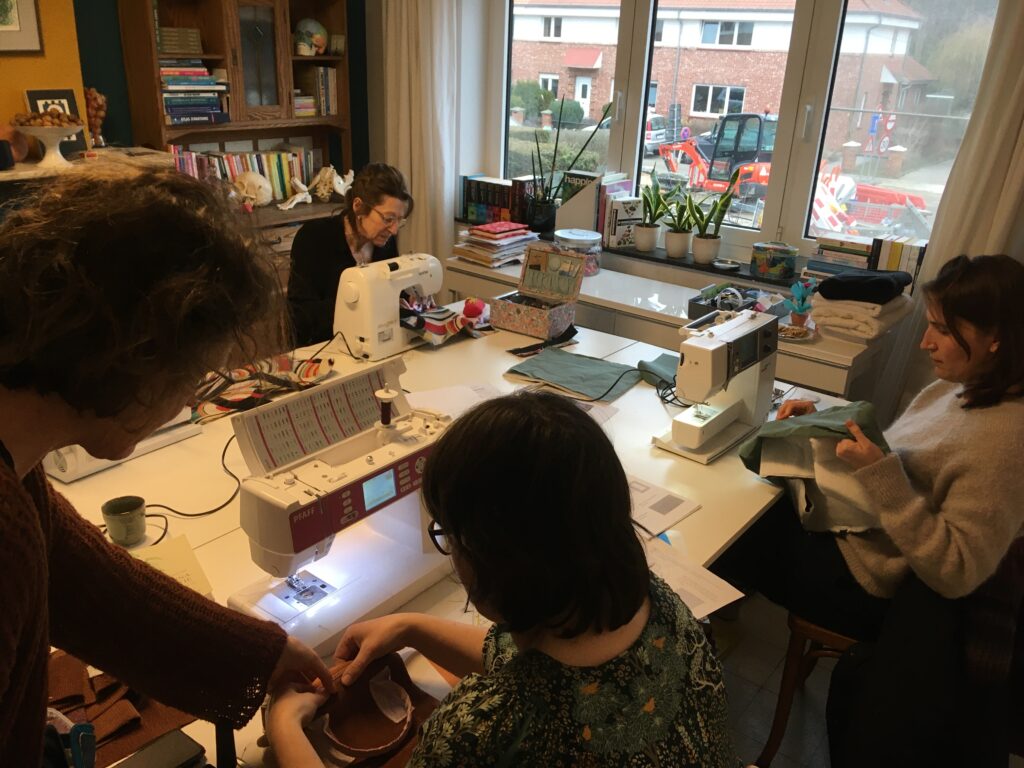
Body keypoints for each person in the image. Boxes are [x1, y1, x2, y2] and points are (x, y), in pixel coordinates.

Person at [0, 165, 335, 767]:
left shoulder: (18, 469)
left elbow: (79, 581)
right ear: (137, 357)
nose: (188, 400)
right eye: (194, 376)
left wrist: (258, 654)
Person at [267, 391, 738, 767]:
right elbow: (542, 669)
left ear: (496, 560)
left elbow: (529, 691)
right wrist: (411, 627)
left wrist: (284, 726)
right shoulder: (664, 611)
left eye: (449, 536)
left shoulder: (481, 731)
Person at [711, 254, 1024, 641]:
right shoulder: (959, 388)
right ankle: (724, 607)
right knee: (748, 500)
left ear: (996, 339)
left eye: (943, 330)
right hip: (861, 533)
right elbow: (906, 459)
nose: (926, 343)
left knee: (731, 532)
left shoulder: (1006, 443)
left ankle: (709, 627)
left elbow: (957, 572)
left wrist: (880, 475)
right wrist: (823, 424)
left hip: (871, 580)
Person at [287, 163, 414, 347]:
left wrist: (410, 299)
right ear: (358, 206)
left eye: (399, 221)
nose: (394, 230)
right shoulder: (314, 238)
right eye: (388, 219)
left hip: (370, 344)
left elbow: (393, 291)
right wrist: (364, 303)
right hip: (323, 348)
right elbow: (299, 317)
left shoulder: (384, 244)